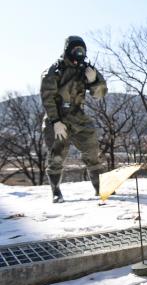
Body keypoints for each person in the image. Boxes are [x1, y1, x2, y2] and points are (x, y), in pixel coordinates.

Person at [40, 35, 107, 203]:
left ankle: (100, 188)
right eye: (76, 50)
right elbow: (47, 97)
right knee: (57, 155)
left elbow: (100, 94)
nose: (79, 53)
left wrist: (93, 81)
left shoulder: (85, 69)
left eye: (82, 50)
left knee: (92, 149)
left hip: (78, 116)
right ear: (68, 50)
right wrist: (55, 122)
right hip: (58, 117)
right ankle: (56, 191)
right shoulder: (55, 70)